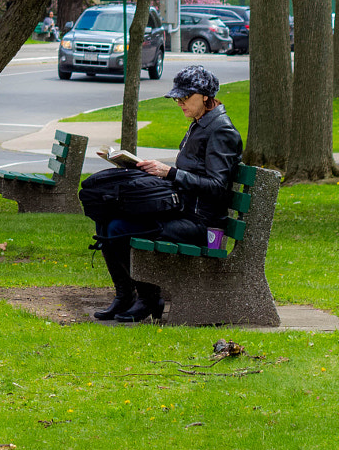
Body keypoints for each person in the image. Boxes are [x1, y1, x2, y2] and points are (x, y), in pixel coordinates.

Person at [77, 65, 240, 324]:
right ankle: (125, 295)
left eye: (185, 98)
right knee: (106, 216)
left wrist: (170, 173)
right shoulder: (200, 124)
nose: (180, 103)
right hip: (182, 210)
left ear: (206, 97)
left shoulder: (221, 130)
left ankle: (149, 298)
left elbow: (218, 186)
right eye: (178, 98)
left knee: (119, 227)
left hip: (202, 224)